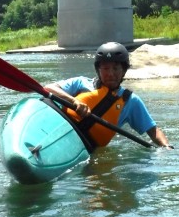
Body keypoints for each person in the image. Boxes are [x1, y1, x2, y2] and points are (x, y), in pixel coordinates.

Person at [44, 42, 172, 150]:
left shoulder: (131, 101)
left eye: (116, 68)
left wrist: (167, 148)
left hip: (86, 147)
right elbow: (48, 89)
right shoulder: (80, 83)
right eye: (105, 68)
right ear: (98, 70)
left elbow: (153, 130)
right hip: (61, 132)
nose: (111, 74)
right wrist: (74, 101)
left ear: (124, 71)